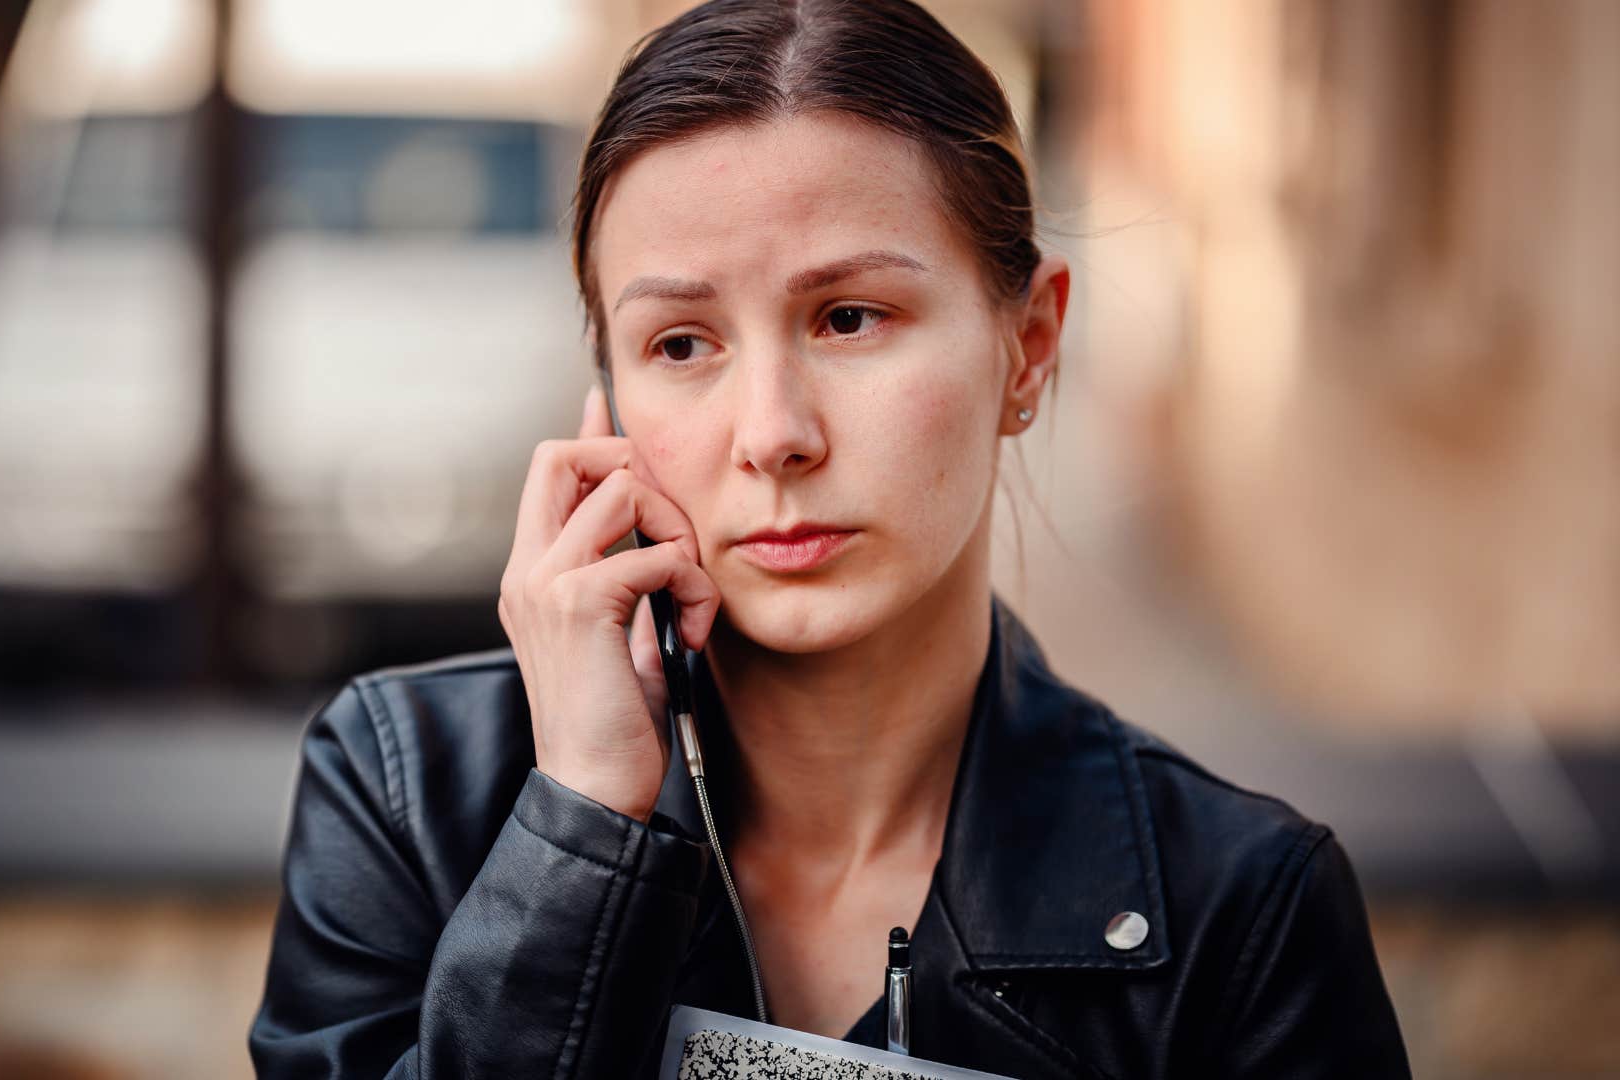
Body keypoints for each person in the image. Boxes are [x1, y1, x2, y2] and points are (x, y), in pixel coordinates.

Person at [250, 1, 1413, 1076]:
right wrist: (583, 825)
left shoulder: (1240, 912)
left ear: (1032, 347)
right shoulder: (406, 796)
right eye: (681, 345)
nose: (773, 435)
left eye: (850, 318)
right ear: (604, 402)